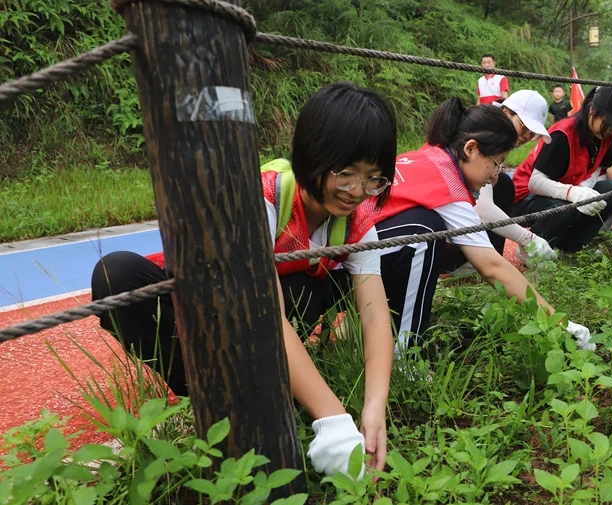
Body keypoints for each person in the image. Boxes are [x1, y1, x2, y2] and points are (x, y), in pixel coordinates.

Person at [91, 83, 397, 480]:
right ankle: (210, 393)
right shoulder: (260, 198)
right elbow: (264, 309)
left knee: (306, 289)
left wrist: (374, 407)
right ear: (312, 156)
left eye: (373, 179)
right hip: (202, 309)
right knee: (116, 275)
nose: (357, 192)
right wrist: (334, 419)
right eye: (346, 175)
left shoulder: (359, 222)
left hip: (266, 325)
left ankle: (263, 387)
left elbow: (374, 316)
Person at [359, 98, 596, 352]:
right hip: (350, 261)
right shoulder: (447, 186)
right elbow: (493, 267)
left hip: (358, 249)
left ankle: (369, 327)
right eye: (497, 163)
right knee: (424, 232)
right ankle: (403, 353)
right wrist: (558, 322)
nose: (496, 175)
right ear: (470, 149)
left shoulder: (431, 154)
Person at [440, 89, 558, 275]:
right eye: (524, 127)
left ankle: (489, 256)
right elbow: (482, 208)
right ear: (506, 112)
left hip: (452, 217)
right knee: (501, 183)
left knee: (503, 183)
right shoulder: (485, 135)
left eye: (532, 133)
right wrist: (527, 238)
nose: (526, 136)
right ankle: (477, 261)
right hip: (437, 228)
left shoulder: (493, 135)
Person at [510, 86, 612, 251]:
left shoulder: (606, 136)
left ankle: (572, 248)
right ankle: (531, 249)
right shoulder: (563, 134)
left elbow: (597, 167)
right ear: (592, 111)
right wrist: (573, 193)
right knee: (564, 205)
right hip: (525, 197)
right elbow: (535, 183)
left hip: (561, 192)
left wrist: (584, 189)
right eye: (610, 122)